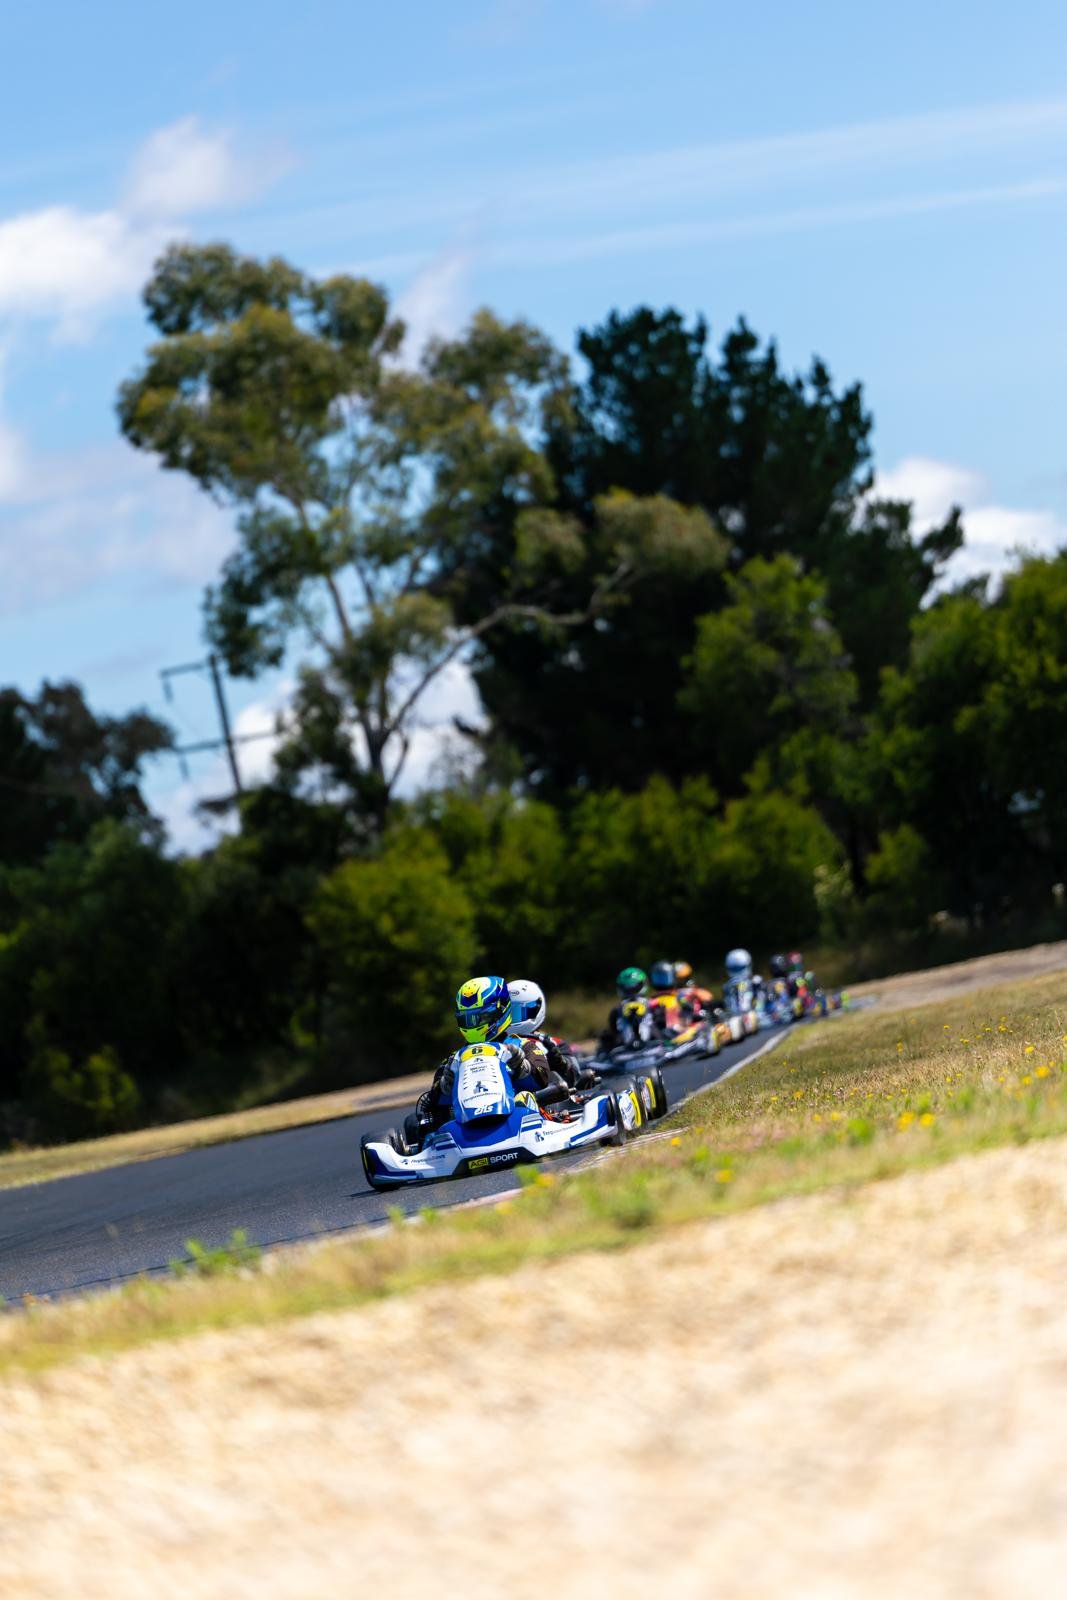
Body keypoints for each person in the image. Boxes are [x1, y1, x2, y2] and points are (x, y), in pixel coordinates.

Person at [407, 974, 562, 1146]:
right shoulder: (455, 1059)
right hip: (464, 1130)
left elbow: (542, 1079)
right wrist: (445, 1086)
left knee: (524, 1097)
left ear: (499, 1011)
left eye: (479, 1018)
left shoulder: (524, 1046)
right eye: (467, 1019)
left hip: (521, 1119)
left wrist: (521, 1065)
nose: (473, 1025)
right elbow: (434, 1101)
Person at [507, 978, 592, 1089]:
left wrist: (560, 1063)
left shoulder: (552, 1044)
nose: (513, 1019)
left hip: (546, 1101)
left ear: (536, 1009)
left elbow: (575, 1076)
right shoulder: (499, 1043)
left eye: (517, 1013)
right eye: (509, 1014)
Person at [601, 966, 652, 1051]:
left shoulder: (651, 1004)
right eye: (628, 988)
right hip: (625, 1047)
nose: (631, 990)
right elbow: (613, 1029)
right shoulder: (617, 1009)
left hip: (651, 1041)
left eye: (634, 987)